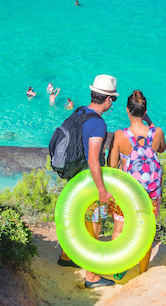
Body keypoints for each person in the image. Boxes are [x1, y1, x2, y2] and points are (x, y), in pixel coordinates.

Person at [57, 74, 119, 288]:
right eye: (114, 99)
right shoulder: (98, 124)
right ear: (108, 100)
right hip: (88, 181)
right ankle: (91, 277)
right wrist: (101, 189)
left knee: (74, 218)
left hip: (74, 177)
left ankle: (66, 257)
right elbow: (94, 159)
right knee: (94, 224)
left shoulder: (80, 112)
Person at [108, 90, 166, 276]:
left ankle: (119, 268)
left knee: (119, 229)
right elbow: (162, 149)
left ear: (127, 110)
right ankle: (142, 271)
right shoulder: (156, 132)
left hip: (127, 193)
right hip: (150, 193)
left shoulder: (120, 135)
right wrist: (151, 123)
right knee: (146, 233)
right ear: (145, 110)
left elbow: (112, 164)